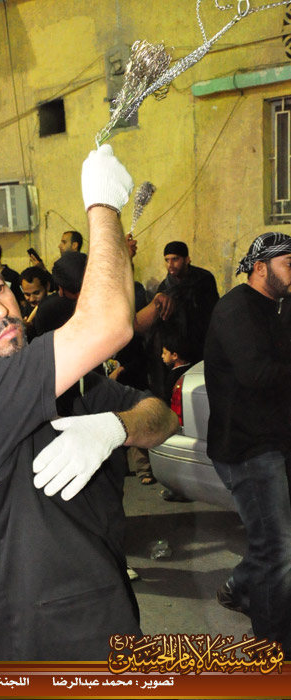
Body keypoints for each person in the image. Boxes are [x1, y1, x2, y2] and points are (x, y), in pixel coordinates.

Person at [0, 144, 178, 660]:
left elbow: (162, 415)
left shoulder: (53, 377)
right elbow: (110, 324)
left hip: (99, 617)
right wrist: (102, 204)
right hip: (21, 647)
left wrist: (116, 428)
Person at [204, 232, 291, 659]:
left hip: (274, 440)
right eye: (289, 264)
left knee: (276, 540)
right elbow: (258, 374)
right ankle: (274, 648)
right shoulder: (236, 309)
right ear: (261, 268)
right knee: (277, 548)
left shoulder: (278, 306)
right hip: (247, 448)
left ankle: (239, 588)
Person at [160, 336, 192, 407]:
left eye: (165, 353)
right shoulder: (192, 368)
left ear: (174, 356)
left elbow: (167, 398)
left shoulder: (173, 376)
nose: (162, 356)